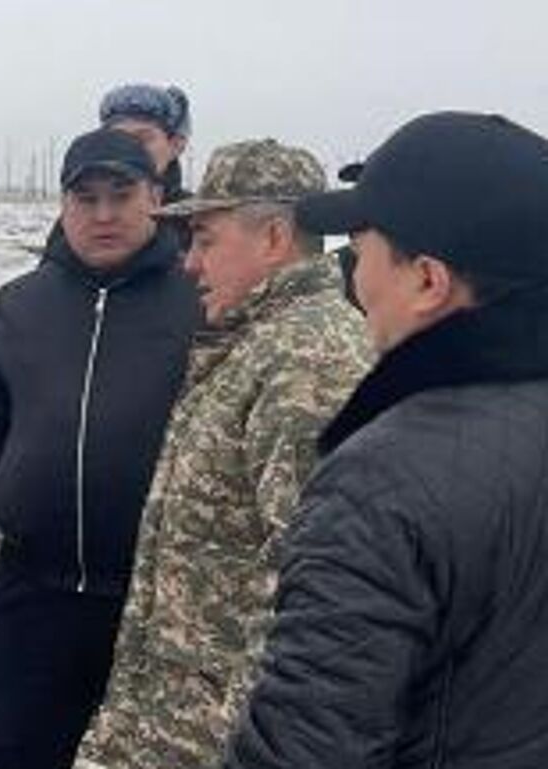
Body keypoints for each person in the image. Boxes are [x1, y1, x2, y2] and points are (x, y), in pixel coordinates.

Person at [223, 112, 548, 768]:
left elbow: (306, 747)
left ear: (427, 281)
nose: (353, 279)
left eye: (362, 250)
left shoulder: (382, 480)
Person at [76, 139, 371, 769]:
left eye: (205, 240)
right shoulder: (255, 343)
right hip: (176, 727)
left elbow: (314, 601)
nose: (189, 263)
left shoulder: (308, 364)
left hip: (225, 742)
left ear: (275, 237)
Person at [0, 128, 201, 769]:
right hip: (34, 595)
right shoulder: (23, 302)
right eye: (85, 198)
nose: (103, 214)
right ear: (64, 205)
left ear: (156, 198)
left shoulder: (198, 300)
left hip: (157, 600)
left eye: (121, 195)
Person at [100, 84, 194, 203]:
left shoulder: (200, 213)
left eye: (143, 139)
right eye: (118, 139)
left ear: (175, 146)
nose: (129, 148)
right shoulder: (85, 208)